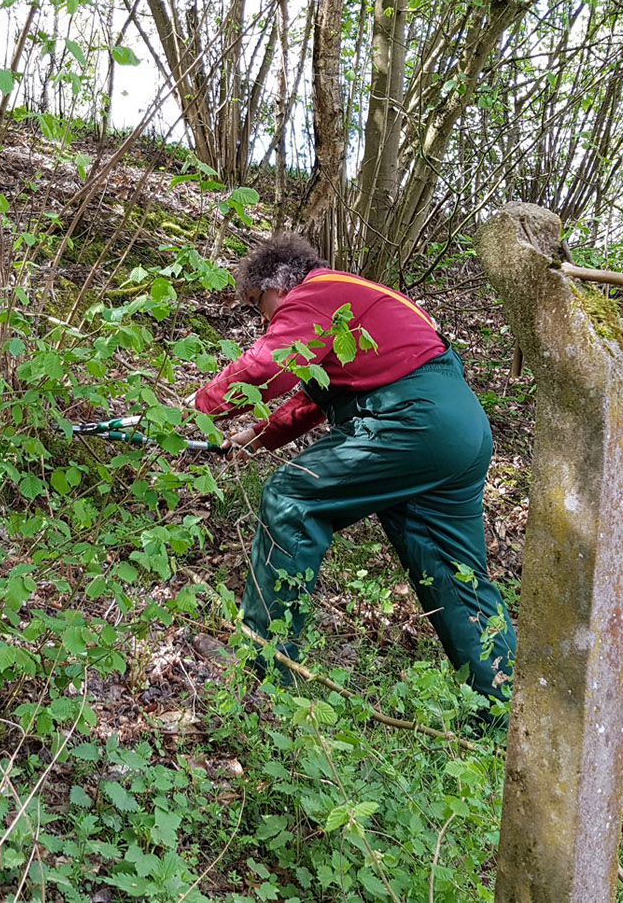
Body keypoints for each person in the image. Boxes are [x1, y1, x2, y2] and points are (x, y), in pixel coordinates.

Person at [194, 232, 516, 710]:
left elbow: (268, 365)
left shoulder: (316, 293)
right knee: (456, 573)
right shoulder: (357, 301)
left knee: (291, 498)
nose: (264, 321)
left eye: (261, 307)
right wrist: (258, 436)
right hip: (461, 431)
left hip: (413, 421)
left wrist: (194, 408)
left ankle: (264, 670)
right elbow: (315, 398)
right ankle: (503, 713)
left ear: (278, 286)